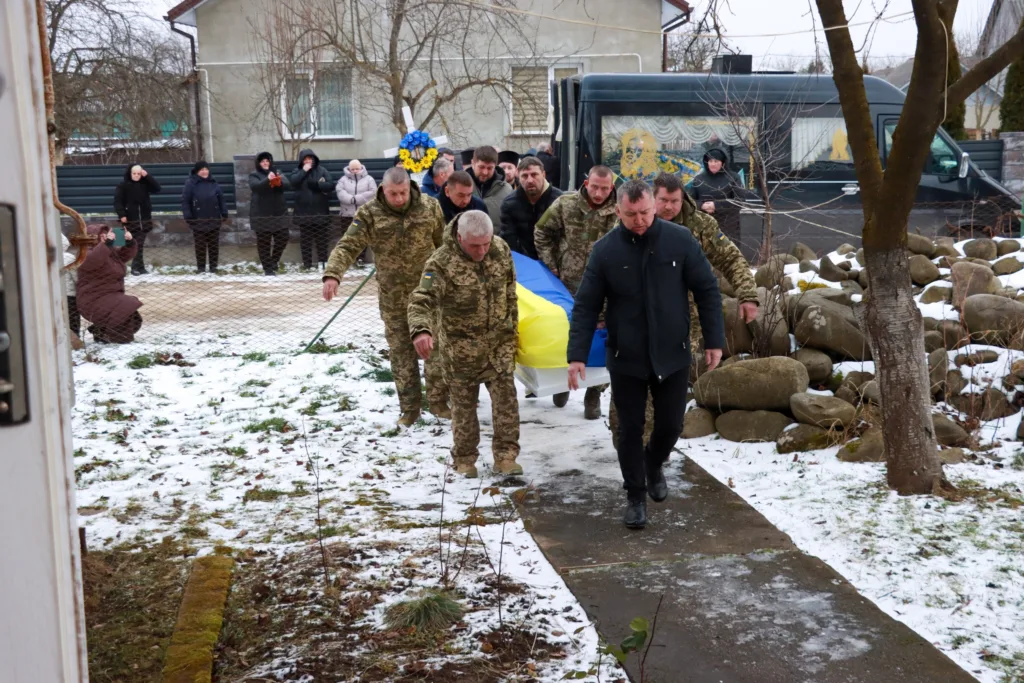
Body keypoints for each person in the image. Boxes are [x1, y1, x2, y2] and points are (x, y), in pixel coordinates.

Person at [567, 179, 725, 530]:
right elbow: (586, 306)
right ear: (618, 210)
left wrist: (715, 340)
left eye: (644, 213)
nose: (638, 221)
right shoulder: (605, 250)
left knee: (671, 425)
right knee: (629, 428)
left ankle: (653, 463)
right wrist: (576, 354)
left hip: (673, 352)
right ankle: (635, 496)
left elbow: (707, 290)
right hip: (627, 356)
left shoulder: (680, 240)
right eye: (630, 214)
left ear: (654, 207)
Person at [322, 167, 449, 426]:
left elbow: (444, 247)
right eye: (393, 193)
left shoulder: (430, 207)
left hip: (427, 294)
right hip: (393, 298)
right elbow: (348, 245)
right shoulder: (370, 213)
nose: (399, 198)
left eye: (403, 193)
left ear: (410, 188)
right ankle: (410, 409)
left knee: (434, 349)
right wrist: (333, 274)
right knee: (402, 352)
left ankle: (438, 402)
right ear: (383, 189)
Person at [408, 210, 521, 478]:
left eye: (486, 243)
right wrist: (421, 330)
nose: (482, 250)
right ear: (459, 237)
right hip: (461, 351)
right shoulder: (441, 263)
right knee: (463, 407)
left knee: (506, 404)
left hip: (499, 346)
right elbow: (421, 299)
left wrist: (512, 330)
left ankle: (506, 457)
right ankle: (465, 458)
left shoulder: (500, 249)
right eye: (474, 245)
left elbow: (510, 292)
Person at [533, 165, 617, 417]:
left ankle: (594, 393)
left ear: (612, 187)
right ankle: (562, 382)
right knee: (566, 335)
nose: (599, 193)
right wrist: (551, 266)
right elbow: (541, 231)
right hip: (568, 287)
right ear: (586, 182)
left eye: (605, 188)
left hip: (606, 289)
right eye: (595, 187)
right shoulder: (565, 204)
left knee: (602, 341)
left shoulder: (620, 211)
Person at [77, 223, 144, 344]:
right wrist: (106, 244)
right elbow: (94, 260)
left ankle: (101, 332)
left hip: (111, 296)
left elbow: (124, 255)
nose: (107, 237)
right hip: (93, 298)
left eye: (107, 234)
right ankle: (119, 340)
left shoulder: (109, 252)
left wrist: (129, 242)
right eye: (102, 235)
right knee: (125, 307)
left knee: (131, 313)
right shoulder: (85, 253)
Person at [499, 156, 562, 259]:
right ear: (518, 177)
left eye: (534, 175)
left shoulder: (559, 200)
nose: (529, 180)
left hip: (553, 262)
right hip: (523, 262)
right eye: (524, 176)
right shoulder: (509, 204)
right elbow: (510, 240)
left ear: (543, 174)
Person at [689, 148, 752, 245]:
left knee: (728, 254)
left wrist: (716, 205)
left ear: (723, 163)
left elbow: (739, 200)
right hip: (703, 224)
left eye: (716, 161)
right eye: (710, 161)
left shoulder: (733, 177)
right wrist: (701, 205)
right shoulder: (699, 179)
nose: (713, 164)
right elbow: (689, 201)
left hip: (728, 226)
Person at [289, 148, 335, 271]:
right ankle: (307, 264)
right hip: (303, 213)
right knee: (305, 241)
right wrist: (304, 171)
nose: (308, 161)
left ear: (314, 159)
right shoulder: (297, 171)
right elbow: (293, 182)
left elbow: (331, 185)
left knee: (322, 240)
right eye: (306, 159)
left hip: (320, 211)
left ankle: (323, 263)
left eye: (310, 158)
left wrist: (318, 185)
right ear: (302, 161)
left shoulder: (322, 171)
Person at [113, 163, 161, 276]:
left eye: (138, 173)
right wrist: (122, 215)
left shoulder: (144, 184)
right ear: (130, 174)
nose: (136, 175)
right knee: (135, 244)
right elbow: (117, 202)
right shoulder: (123, 186)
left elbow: (157, 188)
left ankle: (139, 267)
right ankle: (136, 267)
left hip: (144, 220)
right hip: (130, 220)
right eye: (134, 173)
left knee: (139, 244)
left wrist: (147, 176)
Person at [248, 151, 292, 276]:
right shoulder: (254, 175)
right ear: (258, 163)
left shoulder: (277, 172)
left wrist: (279, 181)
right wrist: (268, 180)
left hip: (279, 213)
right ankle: (268, 269)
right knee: (264, 243)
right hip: (261, 214)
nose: (265, 163)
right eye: (263, 161)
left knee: (283, 237)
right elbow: (255, 187)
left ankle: (274, 262)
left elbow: (288, 185)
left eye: (267, 161)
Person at [181, 161, 227, 274]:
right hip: (198, 220)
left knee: (213, 246)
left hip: (214, 219)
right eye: (202, 169)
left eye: (206, 169)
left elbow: (221, 198)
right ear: (197, 171)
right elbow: (185, 201)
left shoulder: (214, 182)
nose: (204, 171)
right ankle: (201, 268)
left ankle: (213, 268)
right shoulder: (190, 183)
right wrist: (188, 215)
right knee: (200, 246)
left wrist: (224, 212)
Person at [336, 159, 378, 265]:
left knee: (363, 237)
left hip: (363, 214)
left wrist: (357, 198)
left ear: (361, 168)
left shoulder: (369, 179)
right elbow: (340, 192)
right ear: (349, 169)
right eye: (352, 169)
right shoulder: (343, 180)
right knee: (348, 237)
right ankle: (349, 259)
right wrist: (351, 199)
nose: (355, 171)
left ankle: (361, 259)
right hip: (347, 214)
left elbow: (373, 192)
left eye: (357, 168)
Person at [466, 146, 512, 226]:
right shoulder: (460, 185)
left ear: (495, 166)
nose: (485, 172)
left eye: (490, 168)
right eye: (481, 167)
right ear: (473, 163)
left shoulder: (507, 190)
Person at [62, 234, 80, 338]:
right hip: (69, 293)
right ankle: (75, 336)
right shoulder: (69, 257)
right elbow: (76, 276)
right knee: (72, 316)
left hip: (53, 293)